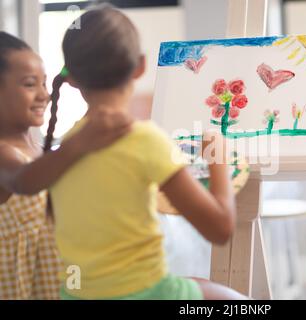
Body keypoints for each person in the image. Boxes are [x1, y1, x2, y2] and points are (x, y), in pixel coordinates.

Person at [44, 5, 246, 300]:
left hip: (75, 295)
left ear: (71, 78)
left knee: (197, 280)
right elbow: (220, 229)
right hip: (144, 294)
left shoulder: (65, 147)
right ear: (140, 66)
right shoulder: (145, 140)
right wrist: (219, 158)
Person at [0, 31, 132, 299]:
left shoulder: (44, 153)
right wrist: (83, 139)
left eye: (45, 83)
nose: (44, 95)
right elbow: (24, 179)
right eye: (29, 84)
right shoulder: (6, 156)